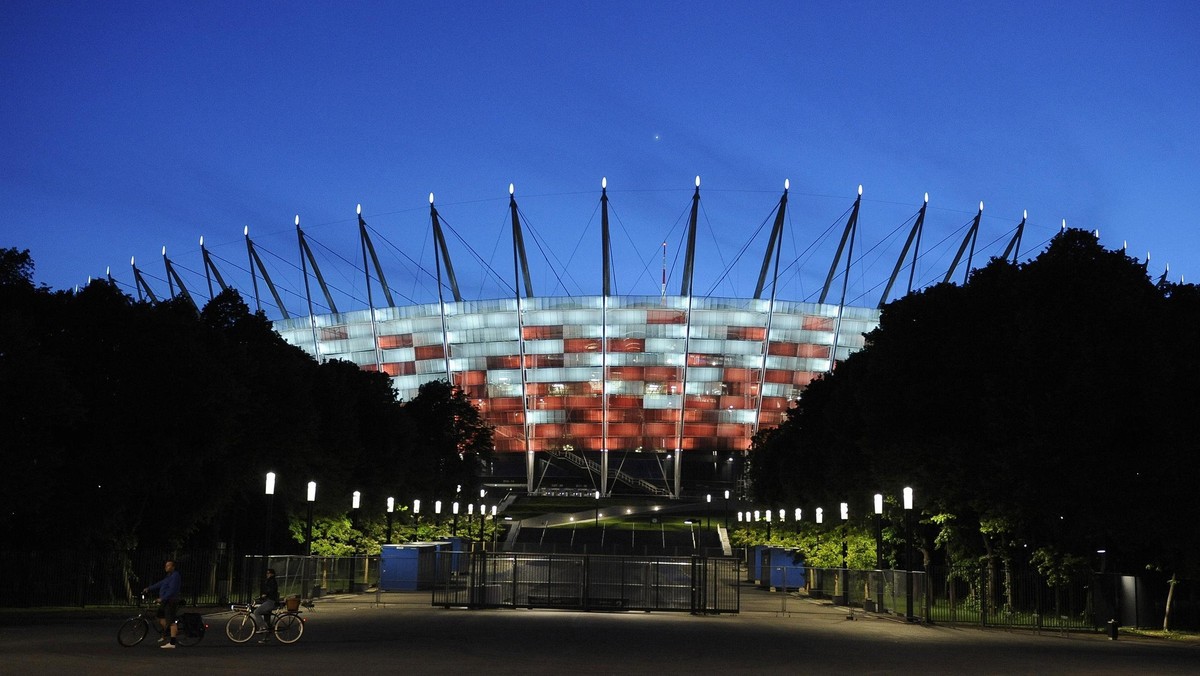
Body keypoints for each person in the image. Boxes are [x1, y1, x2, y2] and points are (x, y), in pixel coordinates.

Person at [143, 560, 182, 649]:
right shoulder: (169, 576)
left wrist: (162, 598)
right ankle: (166, 634)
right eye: (166, 565)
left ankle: (172, 643)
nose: (166, 567)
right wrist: (149, 588)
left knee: (171, 621)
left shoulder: (175, 576)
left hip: (171, 601)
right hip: (165, 601)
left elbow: (172, 590)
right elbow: (160, 583)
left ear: (173, 567)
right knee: (160, 617)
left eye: (168, 565)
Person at [255, 568, 280, 633]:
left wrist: (265, 594)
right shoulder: (270, 580)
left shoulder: (271, 581)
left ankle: (263, 627)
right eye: (267, 573)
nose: (267, 574)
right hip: (270, 600)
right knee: (266, 617)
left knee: (256, 612)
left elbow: (271, 590)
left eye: (268, 573)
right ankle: (266, 637)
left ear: (272, 574)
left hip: (271, 601)